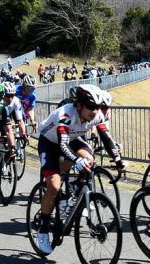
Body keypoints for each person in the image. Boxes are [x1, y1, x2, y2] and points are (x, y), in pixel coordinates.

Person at [35, 84, 125, 254]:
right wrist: (76, 160)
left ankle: (75, 190)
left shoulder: (96, 115)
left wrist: (118, 160)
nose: (95, 111)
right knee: (54, 186)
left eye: (98, 107)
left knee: (89, 159)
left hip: (72, 139)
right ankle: (43, 227)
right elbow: (62, 145)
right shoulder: (65, 114)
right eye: (91, 107)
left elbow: (105, 137)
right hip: (50, 142)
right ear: (79, 105)